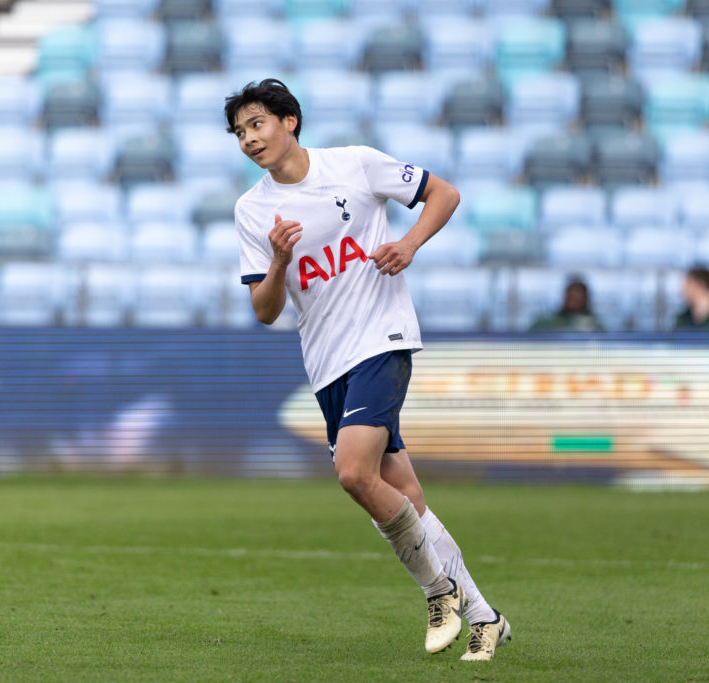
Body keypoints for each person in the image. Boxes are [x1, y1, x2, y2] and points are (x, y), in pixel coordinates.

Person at [224, 79, 511, 661]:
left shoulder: (354, 165)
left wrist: (409, 244)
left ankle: (439, 591)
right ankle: (484, 616)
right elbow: (265, 309)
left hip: (382, 339)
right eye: (239, 132)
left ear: (290, 121)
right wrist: (279, 261)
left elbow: (445, 195)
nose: (249, 139)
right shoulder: (252, 210)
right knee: (403, 494)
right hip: (327, 361)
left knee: (354, 475)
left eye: (257, 124)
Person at [529, 277, 605, 332]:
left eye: (577, 297)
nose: (573, 301)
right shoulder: (550, 320)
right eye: (570, 296)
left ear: (585, 298)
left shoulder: (595, 324)